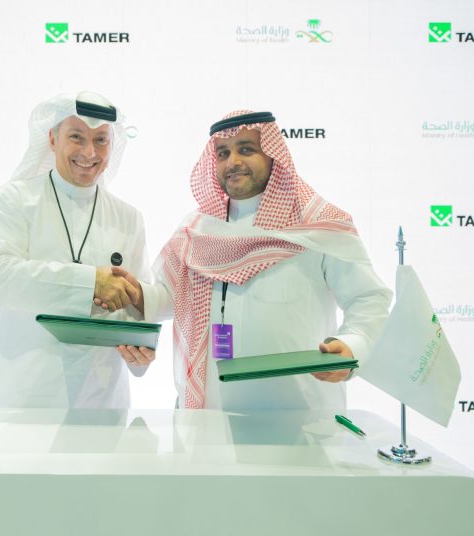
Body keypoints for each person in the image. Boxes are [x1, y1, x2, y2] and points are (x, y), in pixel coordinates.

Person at [122, 110, 392, 411]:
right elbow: (171, 297)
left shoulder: (318, 225)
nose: (233, 162)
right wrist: (136, 295)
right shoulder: (196, 230)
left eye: (246, 149)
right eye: (223, 153)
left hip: (299, 416)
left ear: (273, 155)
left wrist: (352, 346)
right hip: (212, 413)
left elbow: (369, 298)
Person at [0, 91, 154, 409]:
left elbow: (137, 304)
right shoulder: (14, 200)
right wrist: (91, 283)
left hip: (100, 404)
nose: (89, 152)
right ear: (52, 139)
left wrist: (140, 350)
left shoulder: (128, 218)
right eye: (76, 137)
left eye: (101, 140)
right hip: (19, 402)